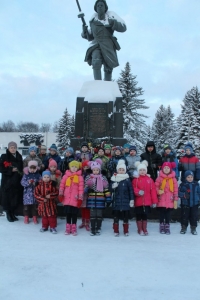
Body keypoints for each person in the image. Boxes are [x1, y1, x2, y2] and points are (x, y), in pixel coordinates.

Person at [81, 0, 127, 81]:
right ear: (95, 8)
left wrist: (113, 23)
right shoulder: (93, 20)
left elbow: (123, 27)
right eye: (98, 5)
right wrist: (85, 32)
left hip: (108, 44)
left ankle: (107, 86)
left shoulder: (111, 15)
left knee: (108, 67)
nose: (100, 6)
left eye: (102, 5)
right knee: (96, 62)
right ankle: (98, 84)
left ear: (105, 7)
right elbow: (91, 36)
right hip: (96, 44)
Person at [85, 159, 111, 236]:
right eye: (94, 170)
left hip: (100, 199)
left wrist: (108, 198)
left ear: (99, 170)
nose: (96, 171)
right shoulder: (88, 178)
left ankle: (98, 227)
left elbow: (106, 189)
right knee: (92, 214)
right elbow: (85, 188)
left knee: (99, 214)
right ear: (92, 170)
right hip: (91, 200)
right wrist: (87, 189)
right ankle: (93, 228)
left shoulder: (103, 178)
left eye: (97, 170)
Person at [132, 160, 158, 235]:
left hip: (147, 202)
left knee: (145, 215)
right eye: (140, 170)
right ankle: (139, 229)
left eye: (144, 170)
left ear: (146, 171)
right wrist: (138, 192)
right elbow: (133, 189)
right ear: (138, 171)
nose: (142, 171)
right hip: (138, 201)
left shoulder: (149, 180)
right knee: (138, 215)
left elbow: (153, 191)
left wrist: (154, 201)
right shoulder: (135, 180)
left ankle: (144, 228)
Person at [59, 161, 84, 236]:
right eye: (72, 166)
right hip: (67, 198)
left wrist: (80, 198)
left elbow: (81, 189)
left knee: (74, 214)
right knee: (68, 214)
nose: (74, 168)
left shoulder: (80, 177)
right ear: (70, 167)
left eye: (75, 167)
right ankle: (68, 227)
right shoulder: (66, 176)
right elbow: (62, 186)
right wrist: (60, 194)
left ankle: (73, 228)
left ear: (78, 168)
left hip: (75, 199)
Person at [0, 141, 23, 222]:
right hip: (7, 181)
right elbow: (1, 168)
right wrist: (10, 169)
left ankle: (13, 213)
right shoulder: (4, 156)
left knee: (15, 198)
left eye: (14, 148)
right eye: (11, 148)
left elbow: (21, 167)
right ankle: (8, 214)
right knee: (7, 198)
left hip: (17, 181)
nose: (13, 149)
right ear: (8, 148)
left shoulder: (19, 156)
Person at [111, 160, 134, 236]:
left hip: (125, 201)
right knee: (116, 217)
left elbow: (130, 190)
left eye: (123, 170)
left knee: (125, 217)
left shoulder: (127, 179)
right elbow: (110, 189)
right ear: (117, 170)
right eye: (120, 169)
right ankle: (116, 230)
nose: (121, 171)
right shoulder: (114, 178)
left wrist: (131, 199)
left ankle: (126, 230)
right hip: (116, 201)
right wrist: (113, 187)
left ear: (125, 170)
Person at [155, 162, 178, 234]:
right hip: (161, 199)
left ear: (170, 169)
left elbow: (175, 189)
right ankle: (161, 226)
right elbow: (156, 187)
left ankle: (167, 227)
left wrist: (175, 199)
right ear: (162, 169)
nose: (166, 169)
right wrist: (158, 191)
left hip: (170, 200)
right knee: (162, 214)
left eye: (168, 168)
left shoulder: (173, 179)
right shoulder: (159, 178)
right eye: (165, 168)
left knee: (168, 215)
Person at [178, 171, 200, 235]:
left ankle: (193, 228)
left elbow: (199, 193)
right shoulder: (183, 185)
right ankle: (184, 227)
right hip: (185, 204)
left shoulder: (196, 184)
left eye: (191, 177)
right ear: (185, 178)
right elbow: (178, 193)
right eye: (188, 177)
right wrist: (184, 195)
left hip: (194, 204)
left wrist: (198, 199)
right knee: (185, 216)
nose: (190, 178)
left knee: (194, 216)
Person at [79, 161, 91, 231]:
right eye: (84, 167)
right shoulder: (81, 174)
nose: (85, 168)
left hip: (88, 193)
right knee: (82, 208)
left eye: (87, 167)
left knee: (87, 208)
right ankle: (83, 221)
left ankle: (87, 222)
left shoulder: (90, 174)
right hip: (82, 192)